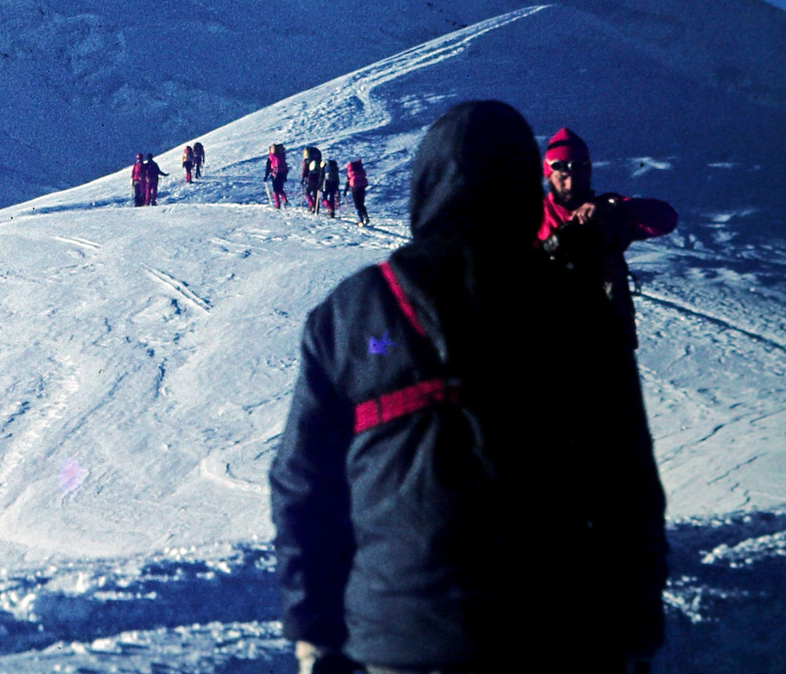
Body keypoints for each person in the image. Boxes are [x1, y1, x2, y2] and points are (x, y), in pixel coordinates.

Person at [270, 100, 666, 674]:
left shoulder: (356, 315)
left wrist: (315, 632)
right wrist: (634, 629)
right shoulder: (571, 306)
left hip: (396, 637)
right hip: (555, 632)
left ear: (425, 184)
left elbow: (303, 482)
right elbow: (625, 480)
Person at [538, 127, 678, 348]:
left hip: (607, 338)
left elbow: (666, 219)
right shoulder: (533, 214)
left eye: (578, 175)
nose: (570, 185)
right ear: (549, 175)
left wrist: (614, 207)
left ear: (589, 172)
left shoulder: (608, 213)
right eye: (562, 177)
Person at [265, 143, 290, 209]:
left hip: (275, 174)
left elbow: (268, 167)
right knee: (280, 188)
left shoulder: (271, 157)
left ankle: (277, 204)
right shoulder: (282, 156)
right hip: (282, 173)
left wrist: (266, 176)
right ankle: (284, 200)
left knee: (275, 189)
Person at [345, 159, 369, 226]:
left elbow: (348, 181)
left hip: (355, 188)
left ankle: (360, 220)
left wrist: (346, 190)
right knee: (361, 203)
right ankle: (365, 216)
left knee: (357, 204)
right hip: (362, 187)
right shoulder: (360, 170)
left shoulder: (350, 171)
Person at [301, 147, 324, 214]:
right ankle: (316, 207)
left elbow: (304, 170)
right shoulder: (319, 160)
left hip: (310, 178)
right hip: (318, 178)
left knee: (307, 193)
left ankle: (311, 205)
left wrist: (303, 178)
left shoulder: (307, 161)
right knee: (315, 193)